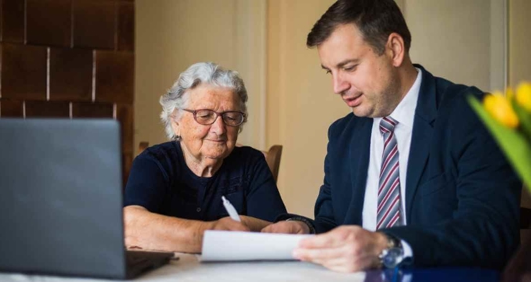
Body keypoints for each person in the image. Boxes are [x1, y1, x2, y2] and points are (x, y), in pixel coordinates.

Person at [262, 0, 521, 273]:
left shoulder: (475, 116)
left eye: (349, 67)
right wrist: (305, 229)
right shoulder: (342, 135)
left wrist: (387, 246)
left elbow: (490, 232)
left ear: (394, 50)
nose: (337, 87)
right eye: (330, 71)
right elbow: (333, 224)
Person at [124, 62, 287, 253]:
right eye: (204, 115)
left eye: (230, 117)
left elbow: (277, 231)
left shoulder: (251, 163)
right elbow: (130, 225)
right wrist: (208, 234)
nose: (219, 129)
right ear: (176, 121)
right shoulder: (154, 162)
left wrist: (242, 224)